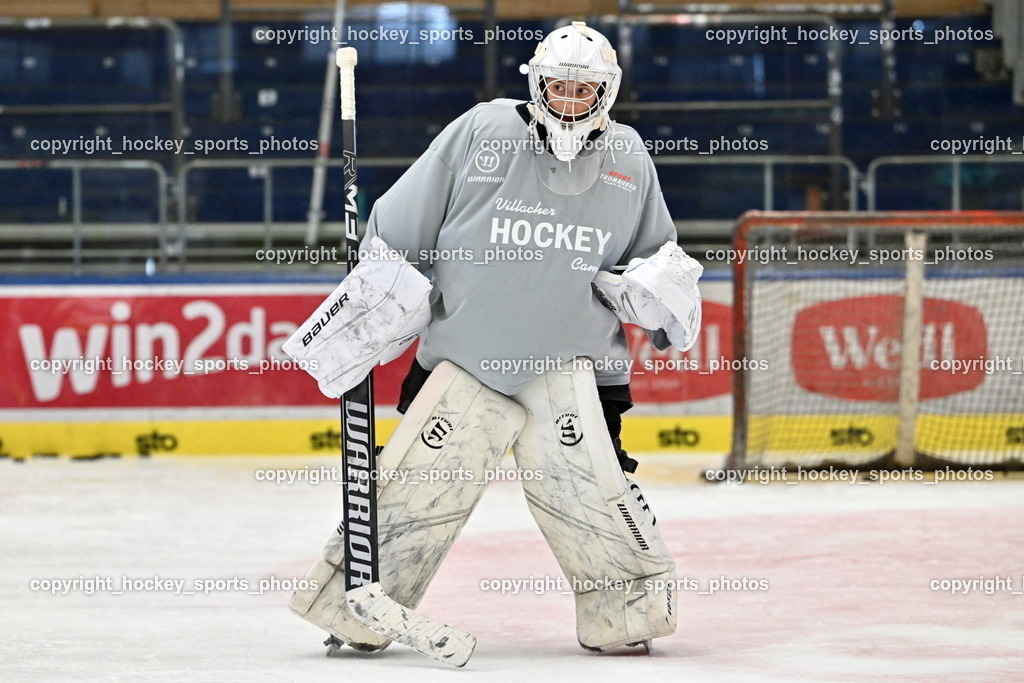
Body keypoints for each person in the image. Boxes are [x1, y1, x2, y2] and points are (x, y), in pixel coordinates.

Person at [284, 21, 703, 655]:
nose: (568, 101)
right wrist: (372, 297)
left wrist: (661, 295)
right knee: (413, 491)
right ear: (537, 83)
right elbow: (398, 229)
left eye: (582, 91)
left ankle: (625, 615)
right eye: (558, 87)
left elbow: (656, 260)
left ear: (605, 93)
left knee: (596, 495)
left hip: (578, 369)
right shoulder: (483, 130)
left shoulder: (629, 157)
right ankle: (359, 612)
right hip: (462, 359)